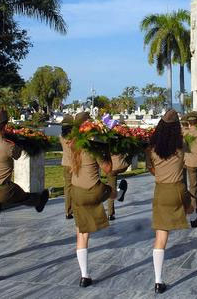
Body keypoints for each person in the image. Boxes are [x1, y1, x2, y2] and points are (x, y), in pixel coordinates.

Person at [0, 109, 49, 284]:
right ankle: (38, 200)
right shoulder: (8, 145)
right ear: (5, 125)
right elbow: (17, 154)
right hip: (4, 189)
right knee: (23, 196)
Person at [147, 110, 194, 294]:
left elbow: (152, 168)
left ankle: (158, 281)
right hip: (177, 188)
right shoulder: (181, 145)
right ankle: (192, 213)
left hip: (160, 191)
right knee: (191, 205)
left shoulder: (151, 148)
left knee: (160, 237)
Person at [70, 111, 116, 288]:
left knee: (81, 235)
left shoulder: (72, 144)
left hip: (77, 192)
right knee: (111, 191)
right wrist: (106, 148)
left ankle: (84, 276)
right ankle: (118, 193)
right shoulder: (92, 145)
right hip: (94, 190)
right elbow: (108, 168)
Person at [60, 114, 74, 219]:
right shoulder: (75, 137)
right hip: (75, 164)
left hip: (65, 163)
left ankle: (68, 211)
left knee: (68, 188)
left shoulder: (61, 137)